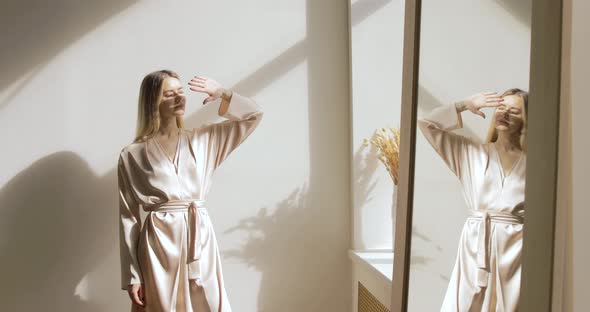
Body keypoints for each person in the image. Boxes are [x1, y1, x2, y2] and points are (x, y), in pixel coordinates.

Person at [118, 69, 263, 311]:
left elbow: (254, 116)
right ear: (152, 101)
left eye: (181, 91)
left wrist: (222, 93)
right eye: (169, 94)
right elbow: (128, 216)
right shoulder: (132, 154)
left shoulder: (205, 139)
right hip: (159, 244)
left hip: (200, 237)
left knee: (210, 303)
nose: (178, 98)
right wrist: (133, 275)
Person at [418, 89, 528, 311]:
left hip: (516, 250)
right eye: (501, 107)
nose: (505, 113)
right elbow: (425, 124)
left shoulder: (533, 163)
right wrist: (464, 104)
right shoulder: (471, 152)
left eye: (514, 111)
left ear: (525, 121)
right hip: (475, 245)